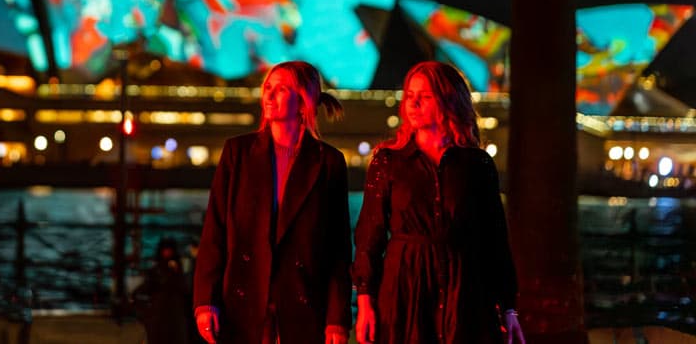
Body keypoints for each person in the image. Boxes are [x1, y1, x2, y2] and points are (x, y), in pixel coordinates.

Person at [353, 61, 525, 344]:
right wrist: (365, 303)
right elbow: (369, 237)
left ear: (448, 101)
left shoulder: (477, 164)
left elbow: (494, 241)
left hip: (465, 289)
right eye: (410, 95)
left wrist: (508, 308)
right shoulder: (388, 162)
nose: (414, 103)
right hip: (404, 289)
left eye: (425, 96)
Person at [193, 60, 351, 344]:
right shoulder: (237, 152)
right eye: (267, 87)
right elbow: (214, 231)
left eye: (281, 89)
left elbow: (338, 248)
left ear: (303, 102)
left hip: (303, 303)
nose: (268, 95)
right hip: (243, 302)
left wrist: (337, 319)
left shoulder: (329, 162)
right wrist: (205, 301)